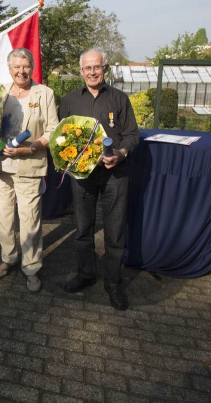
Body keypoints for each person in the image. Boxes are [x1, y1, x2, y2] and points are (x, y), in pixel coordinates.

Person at [57, 49, 139, 310]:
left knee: (115, 230)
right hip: (82, 176)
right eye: (87, 68)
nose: (92, 72)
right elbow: (61, 137)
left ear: (105, 69)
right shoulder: (69, 100)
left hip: (115, 173)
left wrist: (122, 152)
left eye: (97, 67)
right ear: (81, 72)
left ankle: (113, 282)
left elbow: (132, 135)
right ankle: (85, 274)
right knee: (82, 228)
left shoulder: (119, 99)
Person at [0, 48, 58, 293]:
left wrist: (32, 148)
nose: (21, 71)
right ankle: (8, 258)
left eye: (25, 66)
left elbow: (52, 130)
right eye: (16, 67)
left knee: (30, 220)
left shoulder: (44, 93)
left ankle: (32, 267)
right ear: (9, 69)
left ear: (32, 68)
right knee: (4, 218)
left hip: (29, 164)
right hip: (2, 166)